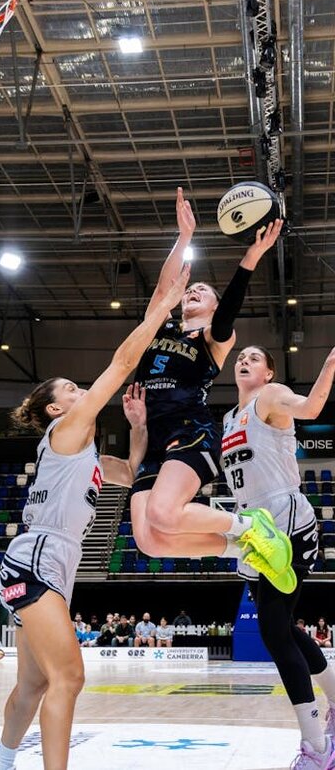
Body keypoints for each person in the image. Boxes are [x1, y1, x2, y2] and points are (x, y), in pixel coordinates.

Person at [0, 269, 190, 770]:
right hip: (39, 557)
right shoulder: (68, 427)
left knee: (34, 682)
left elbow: (130, 472)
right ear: (57, 407)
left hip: (51, 561)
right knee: (69, 678)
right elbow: (122, 363)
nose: (83, 392)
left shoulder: (84, 454)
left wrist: (138, 428)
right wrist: (160, 312)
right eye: (73, 388)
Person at [128, 187, 292, 593]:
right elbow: (163, 290)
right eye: (191, 289)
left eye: (203, 290)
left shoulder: (214, 338)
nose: (193, 291)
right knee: (149, 541)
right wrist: (183, 237)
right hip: (152, 438)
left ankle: (250, 525)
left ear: (215, 306)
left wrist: (250, 258)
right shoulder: (160, 327)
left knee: (164, 514)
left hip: (190, 429)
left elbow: (229, 310)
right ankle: (242, 548)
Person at [222, 344, 335, 769]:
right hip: (253, 528)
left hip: (286, 522)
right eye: (241, 357)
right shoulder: (228, 419)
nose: (244, 360)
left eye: (254, 358)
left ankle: (318, 748)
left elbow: (310, 408)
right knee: (282, 627)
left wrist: (329, 364)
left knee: (273, 631)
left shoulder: (270, 397)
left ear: (269, 372)